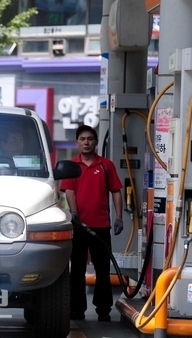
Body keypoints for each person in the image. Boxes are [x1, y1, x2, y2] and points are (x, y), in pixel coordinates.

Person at [60, 124, 124, 322]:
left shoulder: (106, 165)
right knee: (77, 269)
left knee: (103, 269)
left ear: (96, 142)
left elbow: (116, 191)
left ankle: (103, 310)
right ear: (77, 142)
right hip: (78, 226)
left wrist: (119, 218)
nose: (86, 142)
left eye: (90, 139)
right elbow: (68, 190)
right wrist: (74, 213)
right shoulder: (72, 165)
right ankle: (76, 309)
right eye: (82, 139)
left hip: (101, 226)